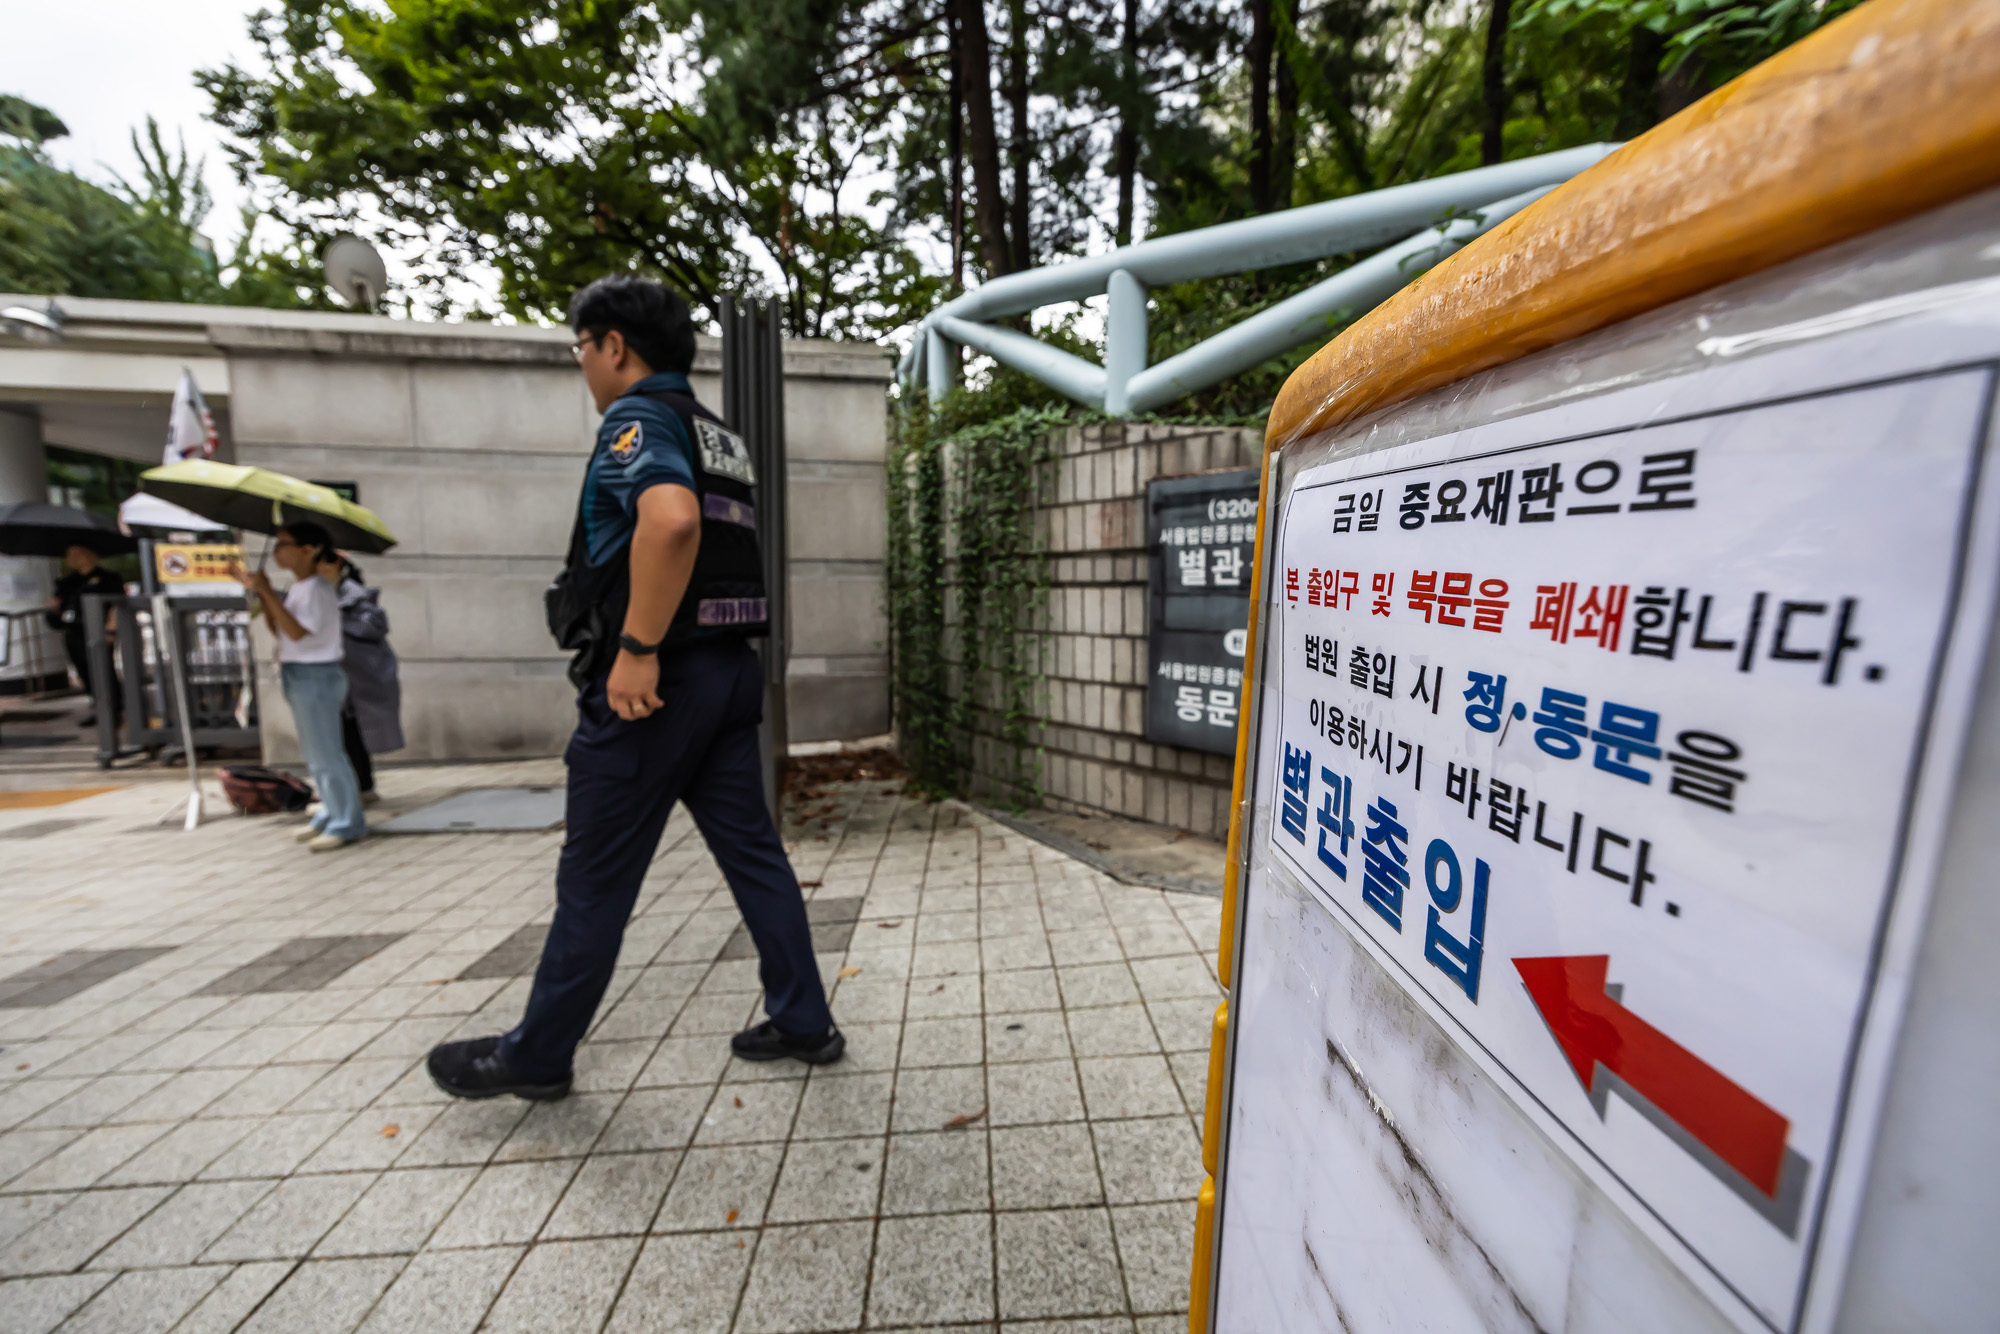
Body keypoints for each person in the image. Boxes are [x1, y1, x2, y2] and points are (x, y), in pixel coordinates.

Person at [427, 275, 840, 1103]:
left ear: (615, 345)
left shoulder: (637, 418)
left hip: (658, 688)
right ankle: (804, 1021)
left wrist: (638, 648)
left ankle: (537, 1054)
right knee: (755, 855)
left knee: (595, 877)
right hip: (728, 673)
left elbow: (672, 520)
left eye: (581, 347)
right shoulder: (716, 431)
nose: (582, 364)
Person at [231, 523, 367, 851]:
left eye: (285, 544)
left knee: (327, 753)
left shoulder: (318, 589)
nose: (278, 551)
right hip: (300, 672)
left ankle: (346, 821)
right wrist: (261, 592)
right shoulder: (301, 588)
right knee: (315, 753)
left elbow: (296, 632)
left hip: (316, 675)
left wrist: (265, 591)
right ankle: (331, 813)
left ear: (309, 550)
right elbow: (280, 629)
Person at [318, 553, 403, 801]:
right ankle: (358, 787)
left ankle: (361, 788)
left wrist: (336, 618)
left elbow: (372, 627)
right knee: (345, 731)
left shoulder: (355, 595)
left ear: (337, 565)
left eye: (323, 562)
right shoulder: (323, 593)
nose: (318, 569)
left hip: (361, 676)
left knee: (351, 731)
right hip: (342, 675)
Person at [44, 544, 123, 727]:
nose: (71, 559)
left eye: (76, 554)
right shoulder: (68, 582)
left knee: (103, 670)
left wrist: (111, 628)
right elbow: (57, 607)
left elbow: (116, 605)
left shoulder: (107, 578)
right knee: (84, 672)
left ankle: (114, 708)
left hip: (97, 631)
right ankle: (97, 707)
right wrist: (54, 608)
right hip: (74, 632)